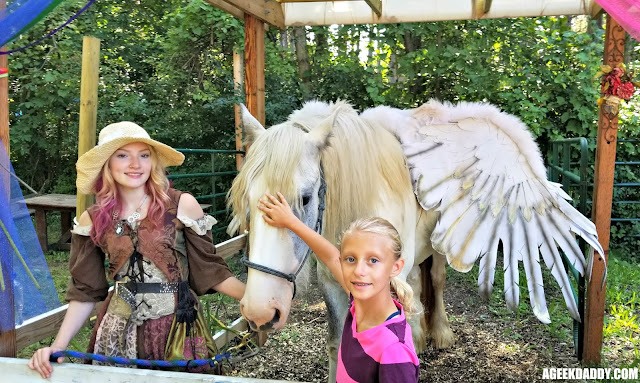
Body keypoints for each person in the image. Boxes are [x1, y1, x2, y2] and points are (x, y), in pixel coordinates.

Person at [29, 121, 245, 378]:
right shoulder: (93, 219)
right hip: (117, 331)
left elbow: (211, 271)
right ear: (107, 164)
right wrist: (58, 346)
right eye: (123, 155)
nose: (136, 164)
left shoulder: (180, 205)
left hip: (178, 327)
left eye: (144, 155)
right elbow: (85, 291)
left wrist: (256, 299)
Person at [258, 192, 419, 383]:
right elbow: (330, 256)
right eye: (351, 259)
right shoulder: (359, 303)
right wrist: (291, 221)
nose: (359, 271)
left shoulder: (394, 351)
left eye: (373, 260)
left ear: (396, 267)